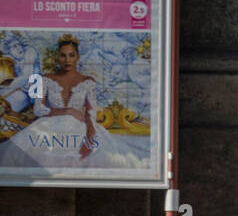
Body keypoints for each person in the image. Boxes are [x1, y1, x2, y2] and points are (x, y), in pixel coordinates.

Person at [0, 34, 139, 169]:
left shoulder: (87, 81)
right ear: (58, 57)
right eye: (63, 55)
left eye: (71, 55)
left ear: (77, 57)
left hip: (79, 126)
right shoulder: (46, 79)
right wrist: (69, 111)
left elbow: (91, 114)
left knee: (100, 157)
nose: (67, 60)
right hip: (49, 126)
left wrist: (90, 137)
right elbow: (38, 109)